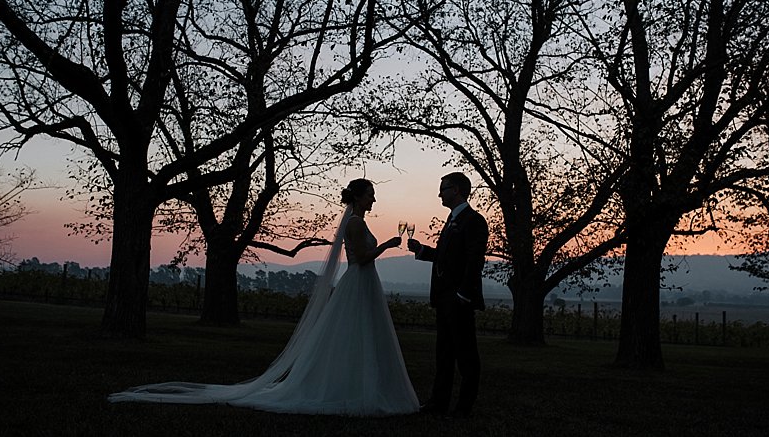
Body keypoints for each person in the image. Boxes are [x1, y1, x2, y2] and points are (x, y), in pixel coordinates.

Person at [109, 178, 419, 416]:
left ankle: (364, 387)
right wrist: (388, 245)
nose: (374, 198)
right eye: (370, 194)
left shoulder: (357, 222)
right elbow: (360, 259)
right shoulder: (354, 223)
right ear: (359, 196)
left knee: (362, 337)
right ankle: (349, 390)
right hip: (359, 282)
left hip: (365, 285)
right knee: (352, 335)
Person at [407, 172, 488, 418]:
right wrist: (421, 250)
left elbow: (475, 260)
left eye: (443, 188)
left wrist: (464, 295)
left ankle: (464, 407)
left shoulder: (473, 220)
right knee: (443, 352)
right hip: (444, 298)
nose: (439, 193)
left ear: (457, 190)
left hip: (458, 299)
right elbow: (446, 257)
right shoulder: (452, 220)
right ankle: (438, 402)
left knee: (465, 354)